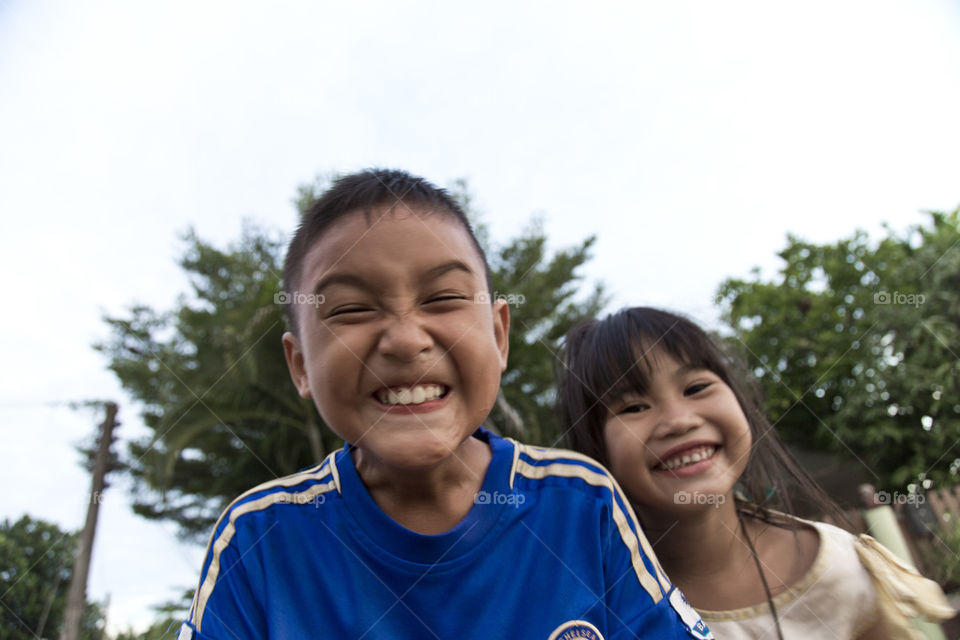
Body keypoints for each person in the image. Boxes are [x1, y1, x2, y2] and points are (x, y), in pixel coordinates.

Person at [177, 171, 711, 639]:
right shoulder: (259, 539)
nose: (407, 341)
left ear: (499, 336)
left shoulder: (581, 504)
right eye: (352, 309)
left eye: (444, 299)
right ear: (300, 367)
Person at [557, 306, 954, 640]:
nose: (677, 421)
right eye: (632, 408)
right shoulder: (593, 612)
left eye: (695, 387)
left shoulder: (842, 567)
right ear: (595, 451)